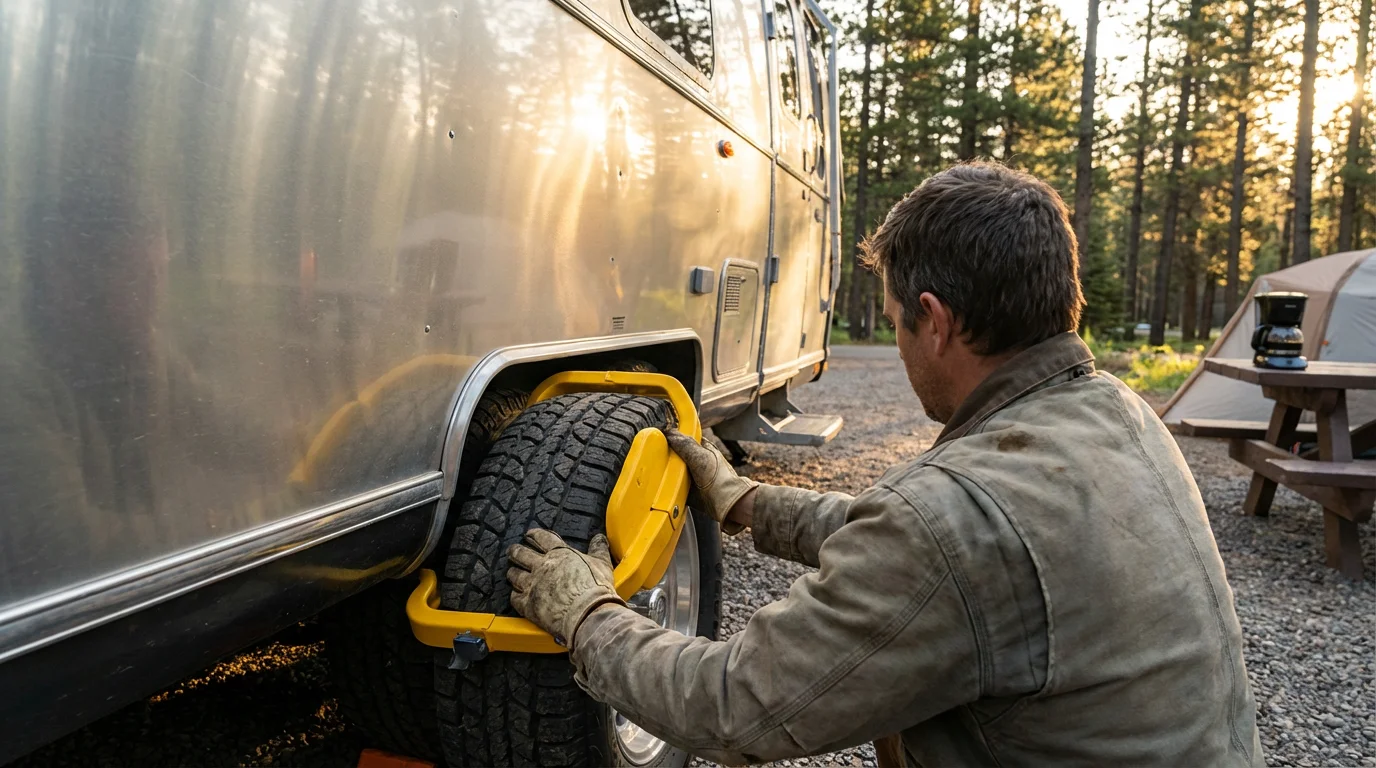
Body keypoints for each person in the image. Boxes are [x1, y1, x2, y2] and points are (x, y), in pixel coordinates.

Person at [505, 162, 1263, 767]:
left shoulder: (955, 521)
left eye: (899, 322)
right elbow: (936, 549)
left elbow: (733, 708)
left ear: (933, 321)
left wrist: (588, 616)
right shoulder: (1116, 410)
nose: (898, 344)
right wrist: (745, 502)